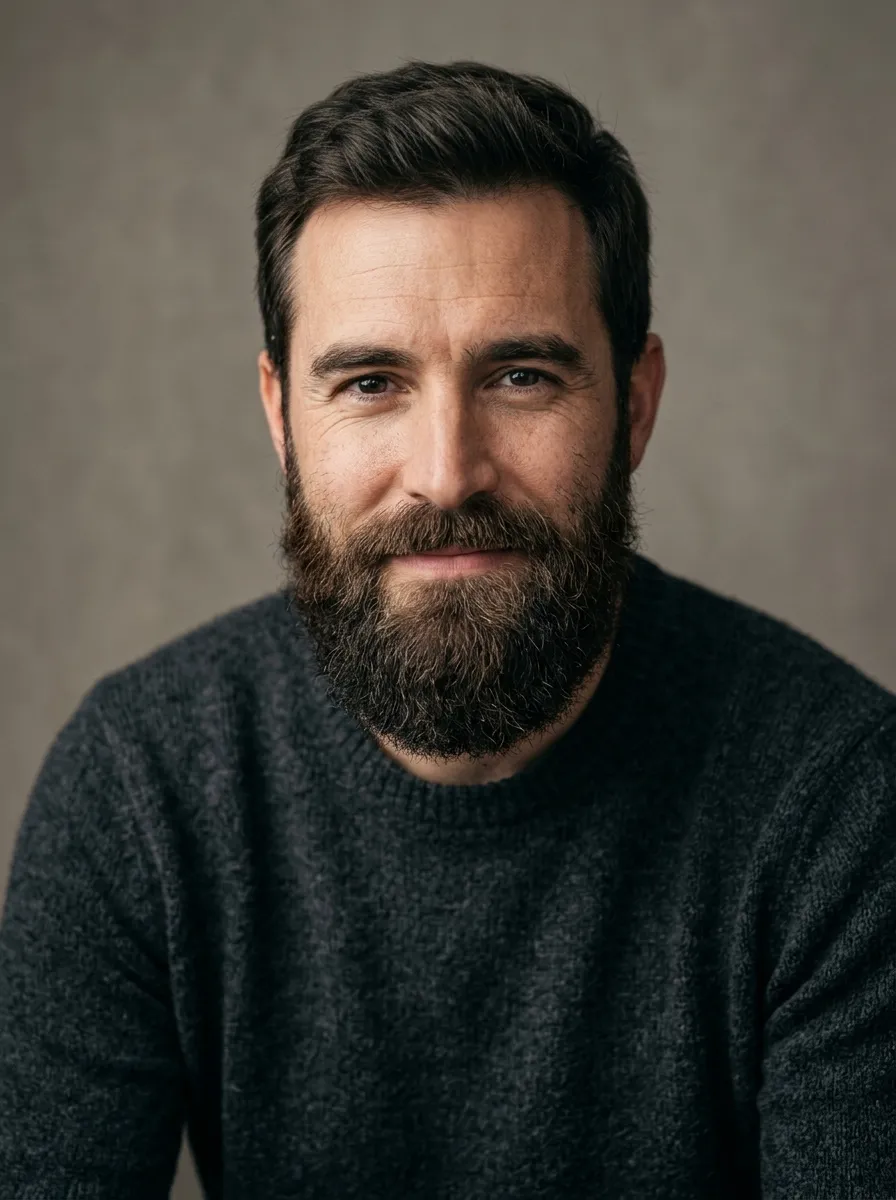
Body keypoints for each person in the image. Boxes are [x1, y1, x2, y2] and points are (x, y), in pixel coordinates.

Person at [0, 59, 893, 1200]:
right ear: (283, 418)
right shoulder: (140, 786)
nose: (444, 475)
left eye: (520, 375)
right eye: (370, 383)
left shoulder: (841, 808)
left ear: (635, 405)